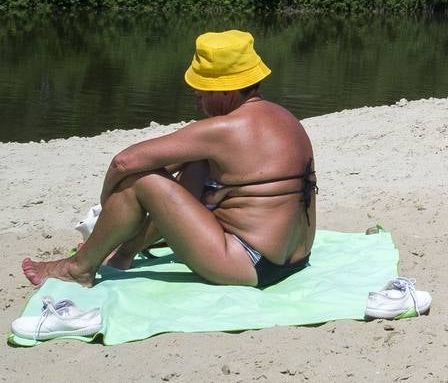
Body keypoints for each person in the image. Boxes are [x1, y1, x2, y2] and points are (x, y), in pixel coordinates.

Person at [22, 30, 317, 289]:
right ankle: (125, 253)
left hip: (249, 264)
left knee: (142, 181)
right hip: (295, 258)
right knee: (194, 165)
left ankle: (79, 268)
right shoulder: (287, 119)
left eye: (201, 90)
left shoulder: (224, 129)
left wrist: (107, 205)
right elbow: (175, 183)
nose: (196, 98)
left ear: (226, 89)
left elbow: (123, 163)